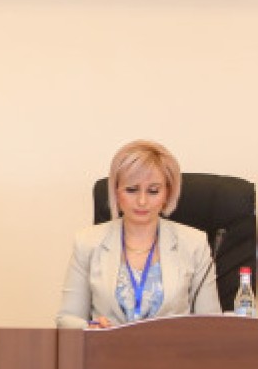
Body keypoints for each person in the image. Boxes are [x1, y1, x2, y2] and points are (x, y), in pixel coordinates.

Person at [56, 140, 220, 329]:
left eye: (153, 191)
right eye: (132, 190)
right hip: (108, 346)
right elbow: (67, 318)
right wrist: (90, 328)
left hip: (173, 347)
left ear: (167, 193)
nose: (142, 201)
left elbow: (211, 323)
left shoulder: (194, 243)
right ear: (116, 191)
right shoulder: (87, 242)